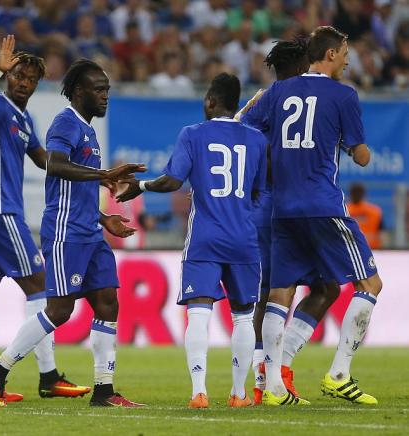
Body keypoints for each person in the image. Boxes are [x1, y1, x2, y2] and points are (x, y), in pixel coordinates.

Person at [0, 59, 147, 408]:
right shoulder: (65, 123)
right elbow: (54, 165)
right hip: (65, 234)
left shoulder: (88, 129)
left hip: (90, 233)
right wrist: (103, 174)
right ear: (79, 91)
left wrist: (104, 219)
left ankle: (104, 390)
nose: (105, 96)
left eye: (107, 90)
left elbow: (78, 188)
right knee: (58, 310)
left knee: (107, 302)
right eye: (99, 90)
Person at [0, 36, 91, 400]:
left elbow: (45, 160)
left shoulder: (25, 119)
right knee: (42, 287)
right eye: (18, 76)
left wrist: (84, 163)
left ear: (38, 84)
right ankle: (48, 375)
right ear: (10, 76)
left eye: (30, 79)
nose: (23, 83)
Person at [247, 26, 383, 406]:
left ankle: (274, 384)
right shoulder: (343, 95)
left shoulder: (276, 92)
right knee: (370, 285)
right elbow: (360, 154)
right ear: (327, 56)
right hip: (323, 206)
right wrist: (355, 148)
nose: (347, 60)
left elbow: (247, 131)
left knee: (279, 294)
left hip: (282, 209)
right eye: (343, 53)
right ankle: (339, 373)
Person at [118, 73, 267, 409]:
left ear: (211, 101)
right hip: (243, 237)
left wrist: (140, 186)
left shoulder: (193, 134)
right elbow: (260, 191)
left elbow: (172, 181)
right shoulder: (256, 140)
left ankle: (199, 392)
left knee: (199, 312)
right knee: (244, 316)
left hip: (206, 237)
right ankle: (238, 394)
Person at [239, 38, 341, 404]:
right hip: (294, 203)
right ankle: (277, 371)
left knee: (272, 291)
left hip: (262, 206)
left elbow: (237, 134)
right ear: (303, 65)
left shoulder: (264, 100)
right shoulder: (304, 96)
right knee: (326, 287)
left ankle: (263, 378)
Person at [347, 183, 383, 249]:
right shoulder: (375, 211)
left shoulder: (344, 211)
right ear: (363, 194)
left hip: (352, 249)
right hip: (372, 250)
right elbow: (382, 233)